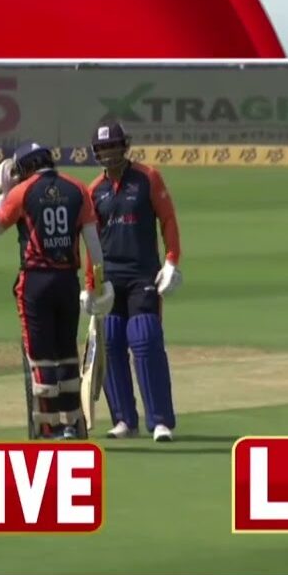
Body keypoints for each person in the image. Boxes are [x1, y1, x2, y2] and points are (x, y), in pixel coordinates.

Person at [0, 142, 112, 439]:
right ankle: (73, 424)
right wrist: (96, 284)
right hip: (67, 281)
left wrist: (3, 191)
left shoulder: (22, 191)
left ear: (28, 166)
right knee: (67, 353)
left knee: (41, 357)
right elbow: (94, 245)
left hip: (35, 283)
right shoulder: (78, 188)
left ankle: (48, 426)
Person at [85, 119, 183, 443]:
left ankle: (160, 420)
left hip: (143, 273)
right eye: (102, 148)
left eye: (113, 146)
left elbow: (168, 219)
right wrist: (90, 285)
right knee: (111, 340)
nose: (108, 153)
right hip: (109, 276)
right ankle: (124, 419)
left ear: (124, 146)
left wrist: (171, 261)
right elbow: (91, 240)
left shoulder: (147, 177)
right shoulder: (94, 190)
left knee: (145, 337)